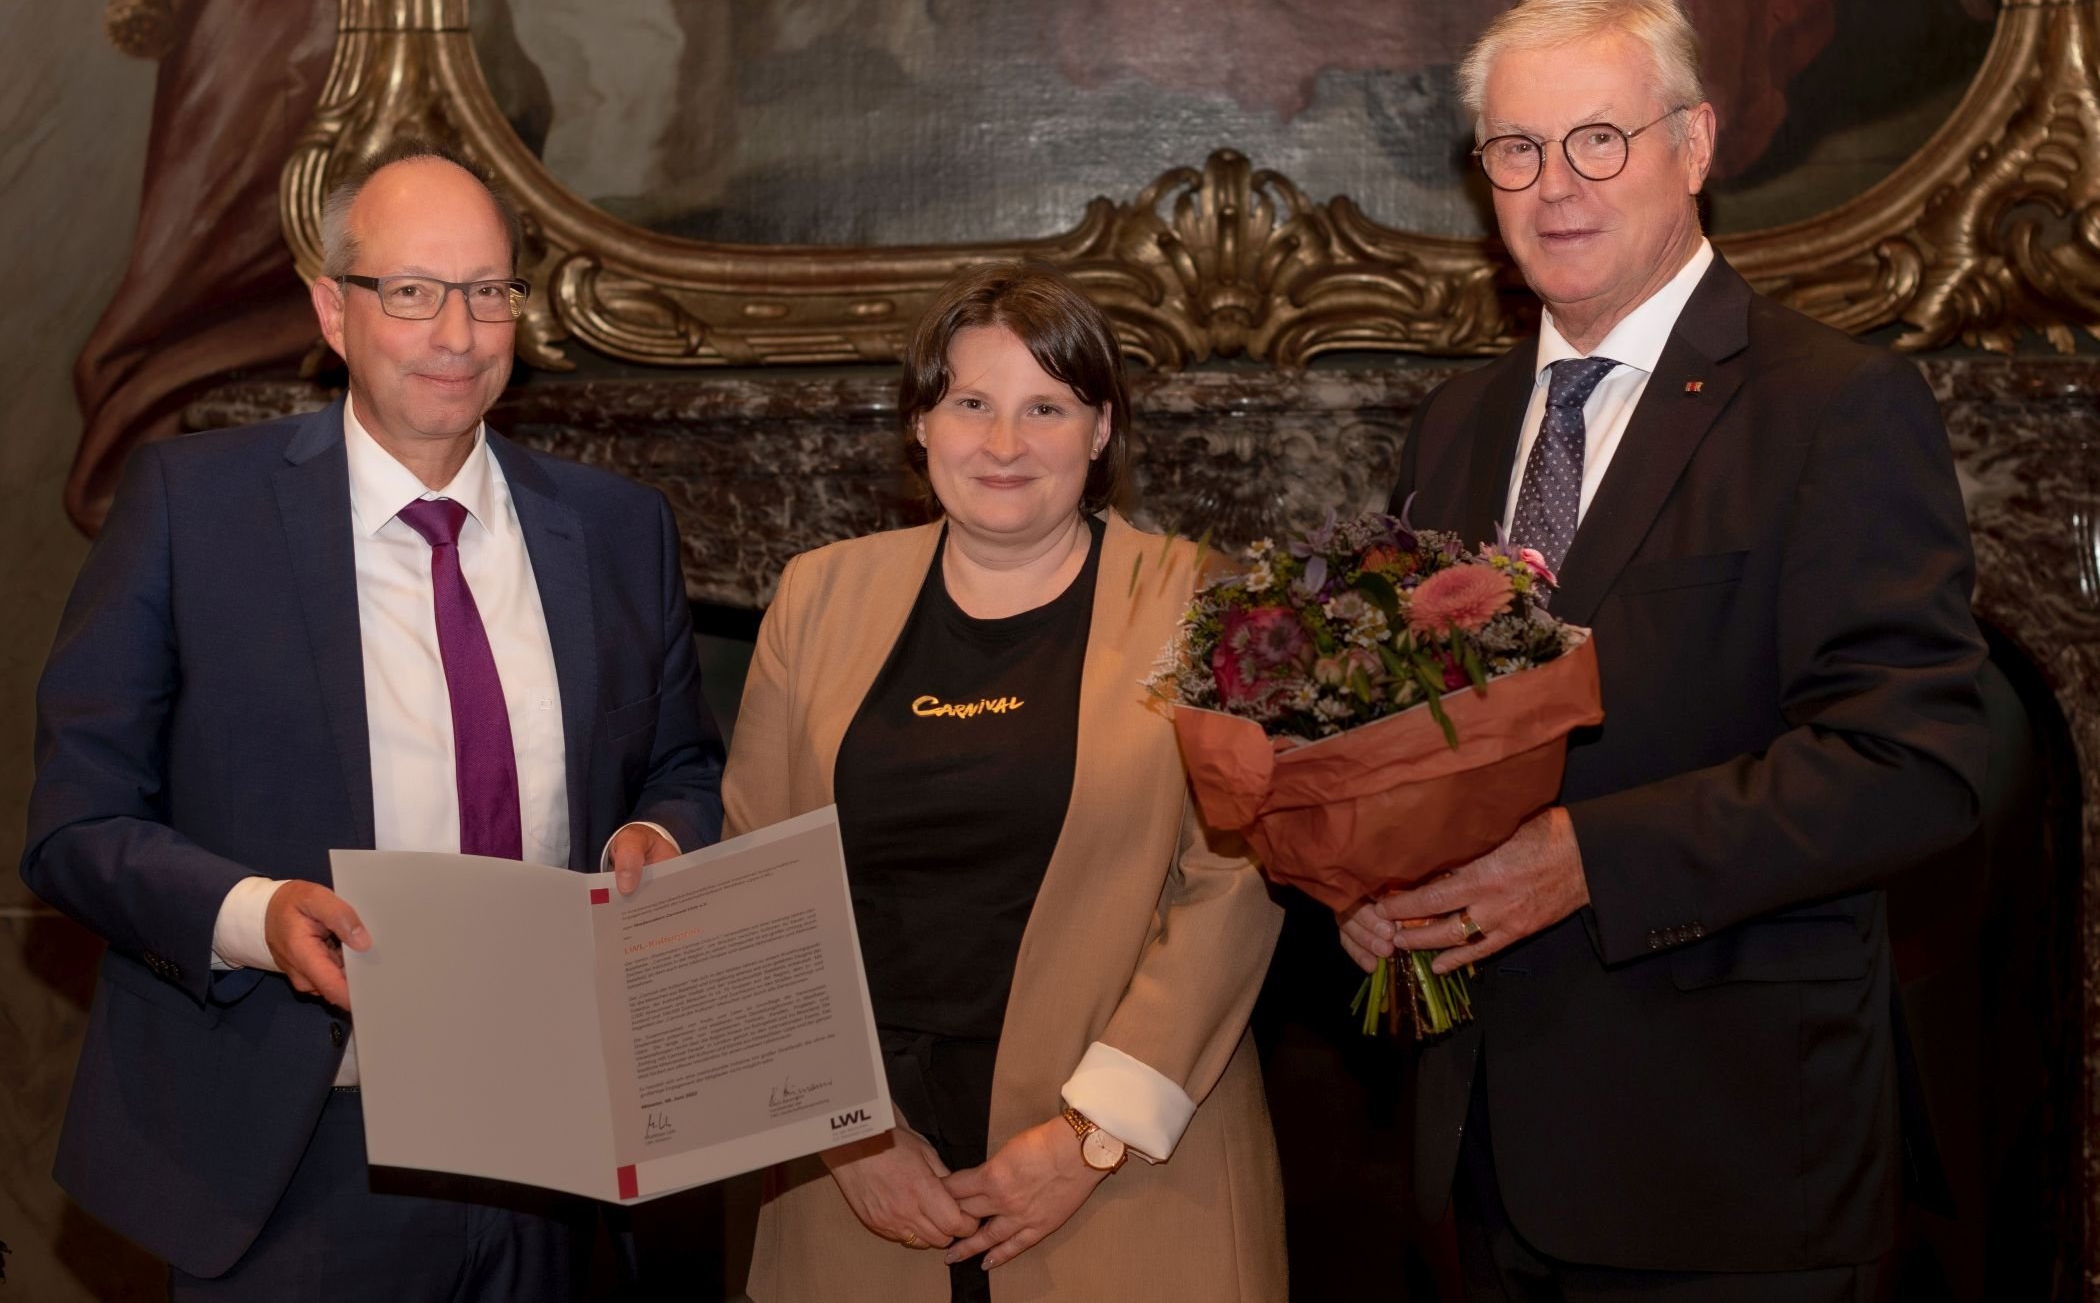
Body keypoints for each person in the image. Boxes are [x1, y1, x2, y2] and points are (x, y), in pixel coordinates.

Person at [1339, 0, 1989, 1298]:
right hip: (1478, 1170)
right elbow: (1418, 737)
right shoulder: (1457, 427)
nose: (1554, 185)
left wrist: (1592, 859)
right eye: (1516, 149)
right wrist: (1367, 879)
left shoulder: (1833, 407)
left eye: (1599, 139)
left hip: (1729, 1177)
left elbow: (1917, 761)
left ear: (1693, 146)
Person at [23, 140, 724, 1301]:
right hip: (297, 1152)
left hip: (561, 1145)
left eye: (489, 291)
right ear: (332, 311)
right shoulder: (191, 510)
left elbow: (680, 765)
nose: (457, 333)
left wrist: (654, 837)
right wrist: (256, 916)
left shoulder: (615, 529)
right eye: (411, 291)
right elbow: (74, 821)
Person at [723, 262, 1286, 1302]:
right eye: (971, 403)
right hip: (859, 1179)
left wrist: (1091, 1134)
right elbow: (752, 880)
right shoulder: (816, 596)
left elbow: (1235, 880)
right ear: (922, 424)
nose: (1005, 443)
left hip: (1130, 1175)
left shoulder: (1198, 597)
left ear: (1101, 430)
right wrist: (847, 1133)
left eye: (1047, 408)